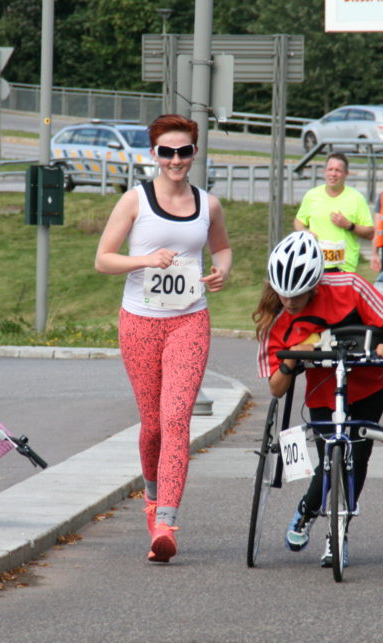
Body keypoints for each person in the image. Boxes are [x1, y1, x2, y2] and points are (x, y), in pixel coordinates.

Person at [95, 113, 232, 564]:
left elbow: (222, 247)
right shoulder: (135, 201)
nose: (176, 160)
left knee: (177, 419)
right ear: (153, 155)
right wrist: (147, 260)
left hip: (189, 322)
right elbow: (104, 260)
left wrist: (222, 270)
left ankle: (166, 524)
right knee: (152, 424)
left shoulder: (208, 204)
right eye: (167, 152)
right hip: (139, 322)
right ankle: (152, 499)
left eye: (184, 151)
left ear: (194, 153)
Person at [253, 231, 383, 567]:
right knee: (329, 459)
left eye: (298, 295)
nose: (289, 302)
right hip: (323, 389)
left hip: (369, 384)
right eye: (284, 294)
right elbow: (277, 389)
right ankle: (307, 511)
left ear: (315, 284)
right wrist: (294, 357)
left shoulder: (349, 286)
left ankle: (338, 535)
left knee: (358, 458)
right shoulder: (277, 320)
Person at [293, 152, 375, 273]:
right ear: (325, 172)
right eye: (330, 169)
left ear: (346, 174)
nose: (333, 174)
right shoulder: (312, 195)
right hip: (316, 266)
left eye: (338, 170)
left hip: (344, 268)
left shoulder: (357, 198)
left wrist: (349, 225)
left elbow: (370, 233)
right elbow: (298, 222)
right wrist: (305, 233)